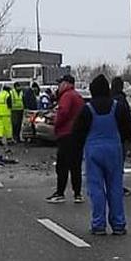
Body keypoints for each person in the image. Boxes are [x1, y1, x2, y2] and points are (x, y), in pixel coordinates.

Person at [72, 75, 131, 235]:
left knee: (96, 188)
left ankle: (98, 224)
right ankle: (119, 224)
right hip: (114, 149)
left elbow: (77, 132)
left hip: (94, 150)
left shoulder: (87, 109)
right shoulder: (117, 106)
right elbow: (129, 129)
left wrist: (77, 150)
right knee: (115, 187)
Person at [46, 74, 85, 204]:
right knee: (76, 165)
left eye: (60, 83)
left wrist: (55, 120)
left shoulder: (67, 96)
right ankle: (77, 193)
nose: (58, 86)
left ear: (66, 84)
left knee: (62, 165)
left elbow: (63, 113)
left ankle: (60, 192)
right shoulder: (77, 96)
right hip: (77, 134)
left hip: (66, 134)